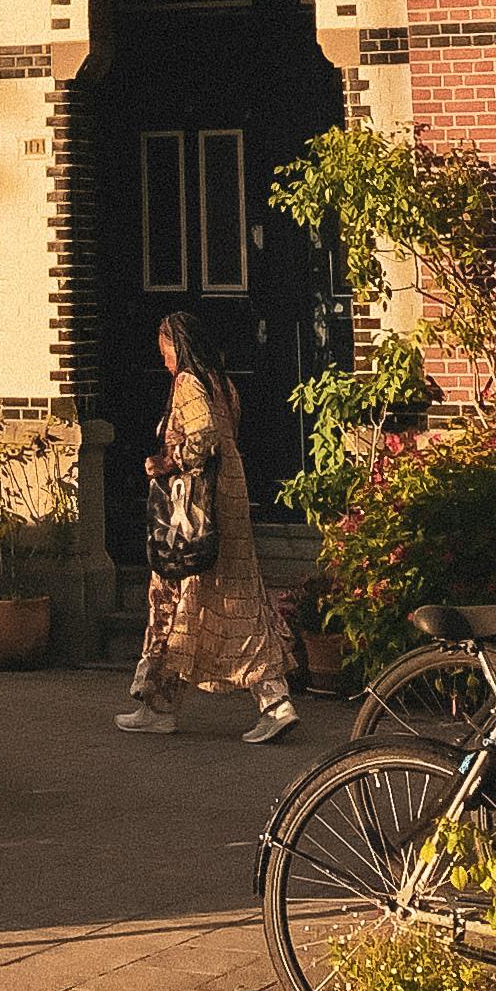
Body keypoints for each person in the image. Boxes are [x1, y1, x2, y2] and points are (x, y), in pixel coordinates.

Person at [114, 309, 297, 744]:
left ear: (180, 347)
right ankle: (163, 703)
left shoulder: (189, 383)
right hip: (226, 504)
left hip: (193, 512)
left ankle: (265, 704)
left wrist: (167, 461)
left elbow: (204, 435)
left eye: (166, 350)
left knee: (174, 595)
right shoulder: (222, 384)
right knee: (215, 602)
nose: (163, 361)